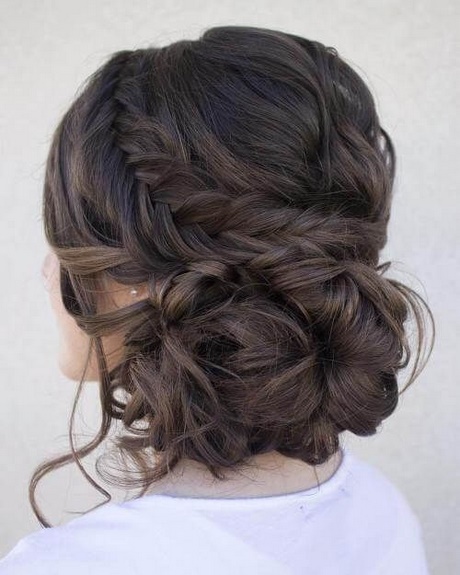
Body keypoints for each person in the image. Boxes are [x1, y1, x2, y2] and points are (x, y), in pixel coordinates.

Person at [0, 25, 434, 574]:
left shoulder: (68, 566)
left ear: (145, 279)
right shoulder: (383, 513)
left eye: (64, 241)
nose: (47, 270)